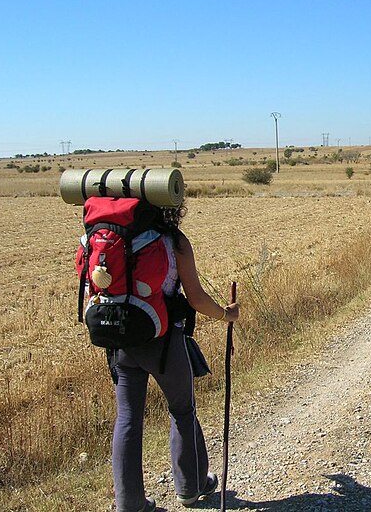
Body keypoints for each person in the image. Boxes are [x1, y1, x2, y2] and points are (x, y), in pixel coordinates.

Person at [110, 204, 239, 512]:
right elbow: (195, 298)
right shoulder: (174, 241)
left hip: (121, 343)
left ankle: (129, 503)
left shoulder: (111, 240)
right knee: (182, 411)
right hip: (164, 343)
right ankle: (191, 488)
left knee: (127, 418)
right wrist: (226, 314)